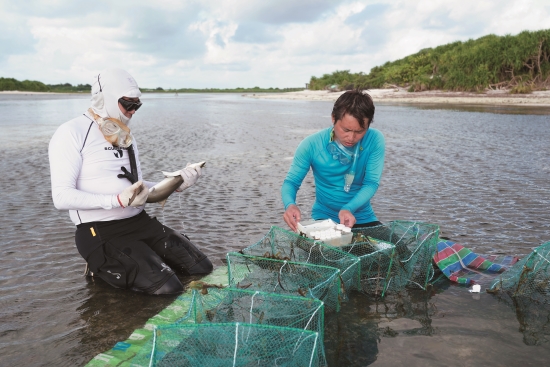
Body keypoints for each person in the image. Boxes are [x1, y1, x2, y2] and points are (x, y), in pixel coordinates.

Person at [49, 68, 212, 295]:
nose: (133, 111)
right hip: (99, 231)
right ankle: (102, 268)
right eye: (128, 104)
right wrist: (116, 200)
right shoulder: (71, 132)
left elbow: (136, 187)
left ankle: (139, 262)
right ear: (107, 99)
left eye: (137, 105)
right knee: (168, 288)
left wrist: (178, 183)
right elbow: (61, 197)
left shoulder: (125, 135)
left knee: (202, 268)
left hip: (140, 222)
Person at [282, 90, 385, 231]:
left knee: (397, 251)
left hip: (362, 217)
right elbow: (291, 182)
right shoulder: (311, 145)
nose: (351, 137)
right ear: (333, 118)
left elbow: (371, 183)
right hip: (325, 218)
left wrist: (348, 208)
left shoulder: (374, 139)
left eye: (360, 131)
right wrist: (290, 205)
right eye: (346, 129)